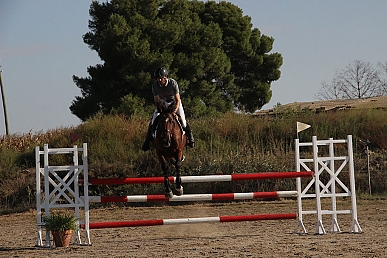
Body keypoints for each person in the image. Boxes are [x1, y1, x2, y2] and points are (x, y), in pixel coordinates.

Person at [141, 67, 195, 151]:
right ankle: (147, 142)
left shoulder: (173, 83)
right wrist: (160, 107)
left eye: (161, 78)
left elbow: (177, 99)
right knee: (153, 121)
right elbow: (156, 100)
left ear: (166, 77)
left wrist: (174, 110)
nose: (159, 80)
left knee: (183, 122)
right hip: (163, 103)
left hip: (174, 102)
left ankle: (191, 139)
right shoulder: (155, 85)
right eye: (158, 78)